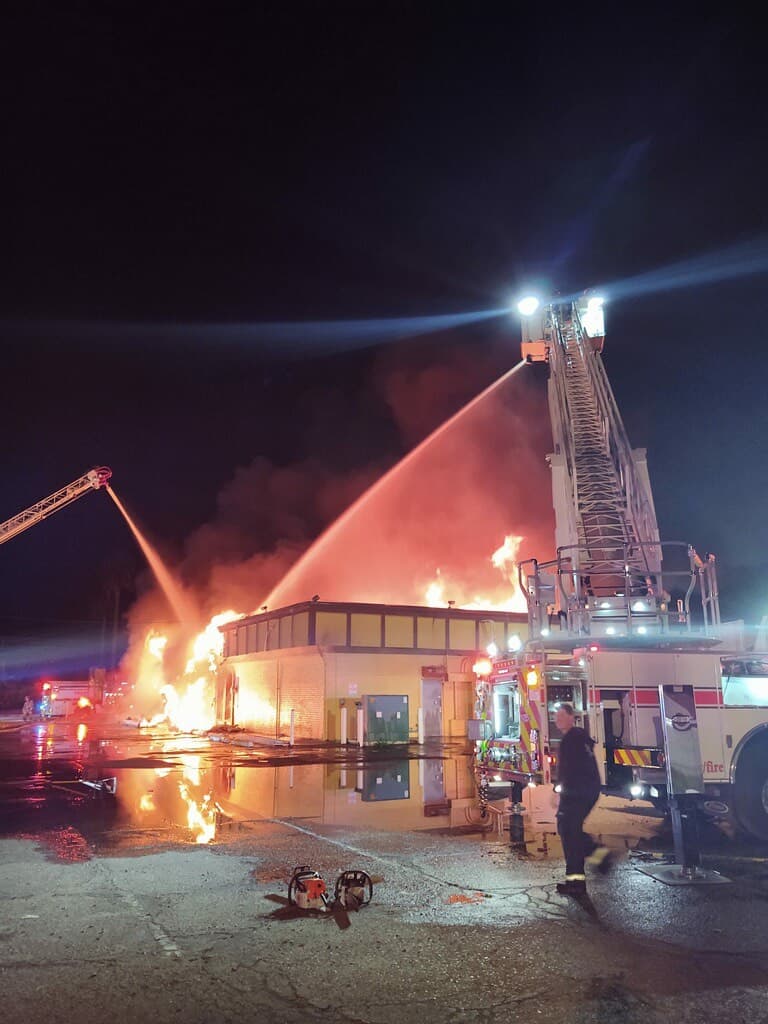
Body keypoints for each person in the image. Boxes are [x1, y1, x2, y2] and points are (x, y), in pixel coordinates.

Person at [554, 702, 613, 895]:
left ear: (572, 717)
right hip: (583, 792)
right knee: (570, 832)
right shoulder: (578, 737)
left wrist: (559, 789)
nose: (558, 720)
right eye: (557, 717)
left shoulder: (572, 739)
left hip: (577, 793)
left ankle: (599, 858)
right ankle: (576, 882)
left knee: (569, 831)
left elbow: (569, 770)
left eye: (562, 716)